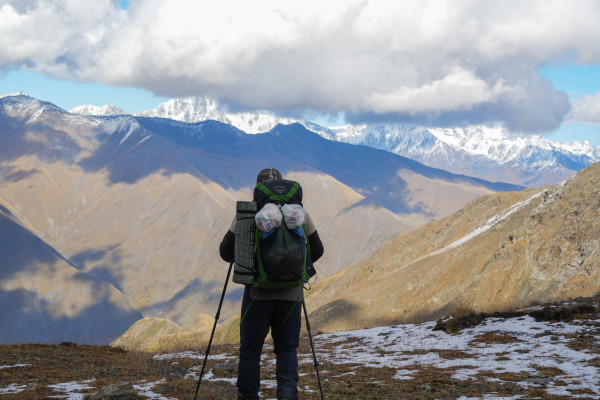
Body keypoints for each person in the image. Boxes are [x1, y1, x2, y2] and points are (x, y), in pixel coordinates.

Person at [219, 168, 324, 400]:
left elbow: (225, 253)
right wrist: (295, 267)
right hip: (292, 296)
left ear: (258, 190)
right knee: (287, 349)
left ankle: (248, 397)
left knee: (250, 351)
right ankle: (287, 396)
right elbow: (318, 250)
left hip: (257, 295)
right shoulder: (298, 214)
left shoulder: (247, 214)